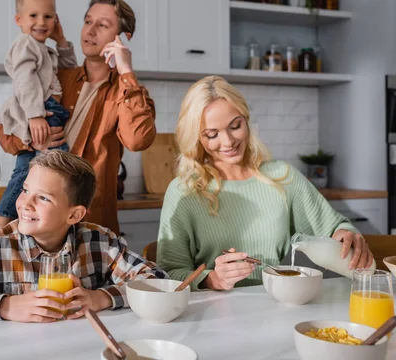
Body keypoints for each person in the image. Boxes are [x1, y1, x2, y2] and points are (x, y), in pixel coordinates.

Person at [157, 76, 374, 291]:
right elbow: (170, 273)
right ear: (197, 138)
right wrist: (212, 279)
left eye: (235, 126)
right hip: (211, 314)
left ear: (246, 119)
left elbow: (334, 227)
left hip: (274, 305)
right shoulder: (184, 191)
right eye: (212, 134)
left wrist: (346, 234)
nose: (228, 141)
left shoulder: (282, 177)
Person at [0, 150, 166, 322]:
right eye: (25, 190)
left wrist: (102, 297)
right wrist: (5, 306)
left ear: (74, 215)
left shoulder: (99, 242)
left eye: (43, 197)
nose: (24, 204)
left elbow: (157, 281)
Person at [0, 0, 156, 234]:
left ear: (122, 37)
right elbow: (3, 133)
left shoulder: (129, 91)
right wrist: (32, 138)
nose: (90, 31)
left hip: (92, 224)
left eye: (102, 25)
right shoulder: (57, 77)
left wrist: (125, 71)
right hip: (40, 224)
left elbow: (138, 139)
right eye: (88, 22)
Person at [0, 0, 77, 226]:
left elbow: (70, 69)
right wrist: (35, 115)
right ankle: (3, 223)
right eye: (33, 15)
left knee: (32, 173)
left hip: (49, 110)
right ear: (18, 20)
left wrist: (60, 39)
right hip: (42, 110)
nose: (41, 22)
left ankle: (12, 222)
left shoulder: (43, 48)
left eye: (48, 16)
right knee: (52, 169)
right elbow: (24, 80)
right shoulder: (25, 45)